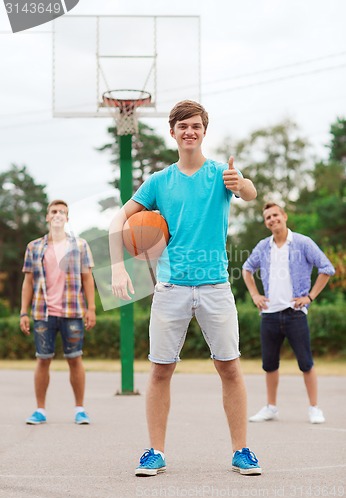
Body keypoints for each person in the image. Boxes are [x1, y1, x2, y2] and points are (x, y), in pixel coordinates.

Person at [109, 100, 262, 476]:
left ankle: (242, 451)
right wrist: (117, 268)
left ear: (204, 131)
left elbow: (250, 192)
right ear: (173, 132)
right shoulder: (159, 182)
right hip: (171, 288)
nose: (189, 131)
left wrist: (239, 183)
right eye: (183, 126)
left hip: (214, 287)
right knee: (161, 371)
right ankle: (155, 452)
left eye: (196, 125)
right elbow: (118, 220)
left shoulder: (220, 174)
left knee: (229, 367)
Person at [242, 202, 335, 424]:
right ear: (266, 223)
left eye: (275, 215)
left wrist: (310, 297)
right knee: (270, 364)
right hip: (269, 315)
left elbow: (326, 268)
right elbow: (247, 268)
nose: (272, 219)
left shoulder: (302, 243)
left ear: (284, 216)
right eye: (268, 218)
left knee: (306, 363)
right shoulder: (264, 246)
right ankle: (271, 407)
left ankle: (314, 408)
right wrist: (255, 295)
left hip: (295, 313)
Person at [20, 199, 96, 425]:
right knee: (43, 359)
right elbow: (28, 282)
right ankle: (40, 410)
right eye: (54, 211)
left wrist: (90, 308)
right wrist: (23, 312)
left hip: (72, 311)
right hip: (43, 313)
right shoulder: (34, 247)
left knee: (75, 359)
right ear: (47, 216)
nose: (57, 214)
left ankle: (80, 409)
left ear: (67, 218)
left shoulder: (80, 245)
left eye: (62, 211)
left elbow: (87, 278)